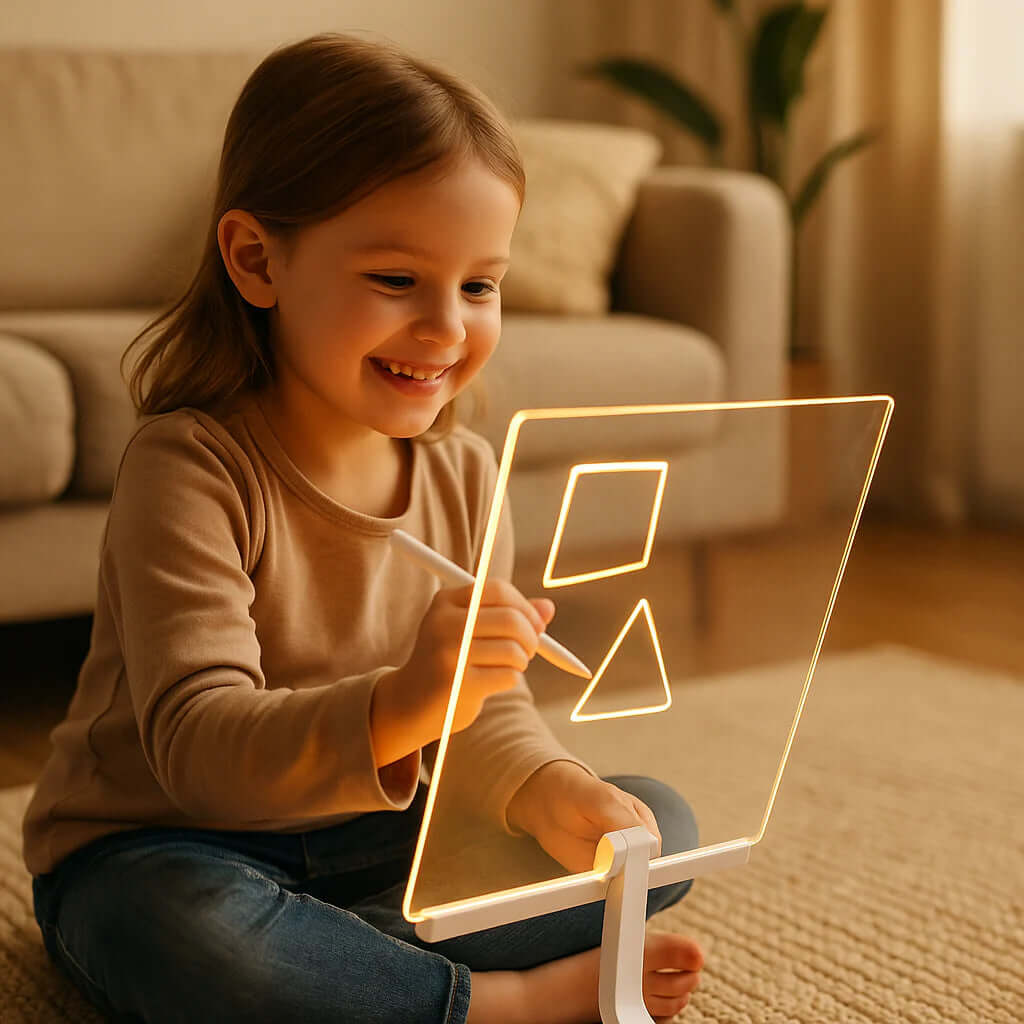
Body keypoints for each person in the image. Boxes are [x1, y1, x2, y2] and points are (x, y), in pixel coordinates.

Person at [22, 32, 705, 1024]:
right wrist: (404, 699)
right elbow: (197, 747)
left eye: (479, 286)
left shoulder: (464, 471)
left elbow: (487, 715)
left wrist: (553, 789)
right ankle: (492, 1005)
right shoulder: (191, 468)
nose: (446, 328)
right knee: (202, 943)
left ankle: (351, 976)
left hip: (378, 841)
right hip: (169, 842)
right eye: (395, 280)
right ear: (257, 261)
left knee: (657, 825)